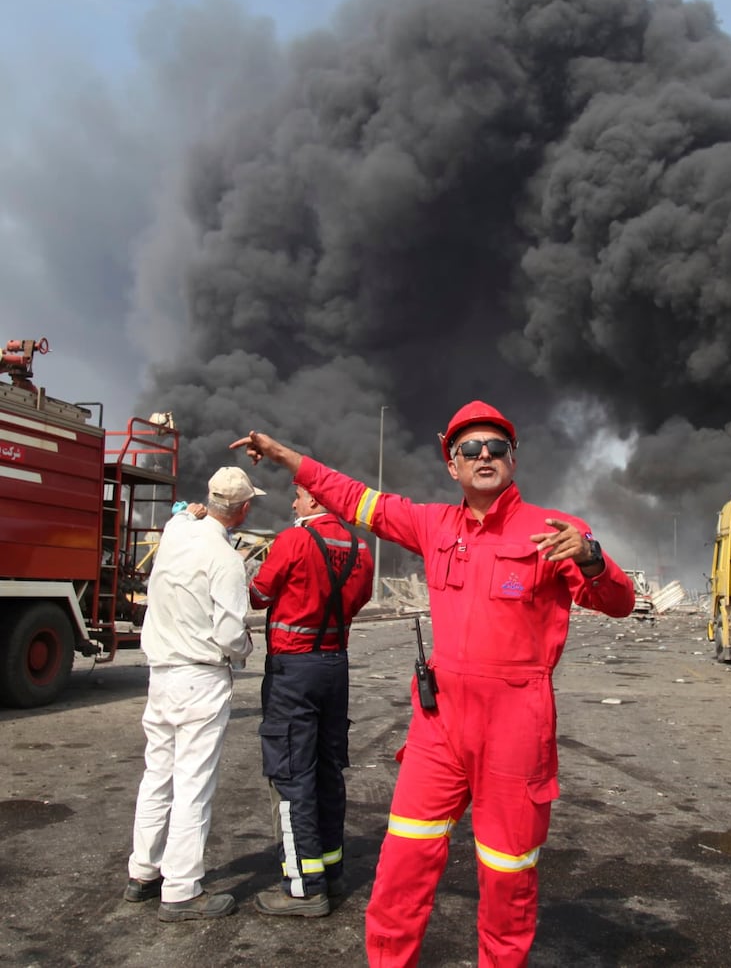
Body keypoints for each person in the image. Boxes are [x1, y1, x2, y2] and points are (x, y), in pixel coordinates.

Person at [231, 401, 635, 965]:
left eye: (496, 447)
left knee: (506, 876)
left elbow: (617, 603)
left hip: (516, 729)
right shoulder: (432, 525)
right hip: (439, 728)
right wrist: (284, 457)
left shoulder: (555, 532)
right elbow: (351, 497)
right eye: (470, 449)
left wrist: (592, 559)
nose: (484, 456)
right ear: (453, 465)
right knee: (402, 865)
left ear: (512, 460)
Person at [125, 466, 262, 922]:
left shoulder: (176, 530)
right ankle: (181, 891)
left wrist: (189, 513)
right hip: (200, 677)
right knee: (193, 784)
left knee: (157, 774)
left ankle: (143, 872)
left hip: (160, 675)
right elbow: (229, 632)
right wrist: (246, 647)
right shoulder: (225, 560)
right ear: (242, 511)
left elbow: (182, 515)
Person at [248, 483, 375, 917]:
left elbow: (258, 594)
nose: (294, 503)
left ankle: (303, 887)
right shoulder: (361, 547)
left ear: (316, 501)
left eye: (299, 496)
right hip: (335, 666)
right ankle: (331, 872)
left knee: (290, 776)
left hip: (293, 672)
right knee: (327, 771)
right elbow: (359, 599)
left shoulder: (295, 539)